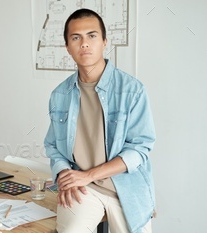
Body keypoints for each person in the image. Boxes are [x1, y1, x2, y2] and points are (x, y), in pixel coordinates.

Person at [44, 8, 156, 233]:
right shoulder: (60, 94)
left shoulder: (132, 90)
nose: (84, 44)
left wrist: (88, 175)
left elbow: (140, 149)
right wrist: (65, 176)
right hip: (84, 190)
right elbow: (53, 145)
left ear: (104, 42)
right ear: (68, 47)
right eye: (76, 38)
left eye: (92, 36)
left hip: (126, 189)